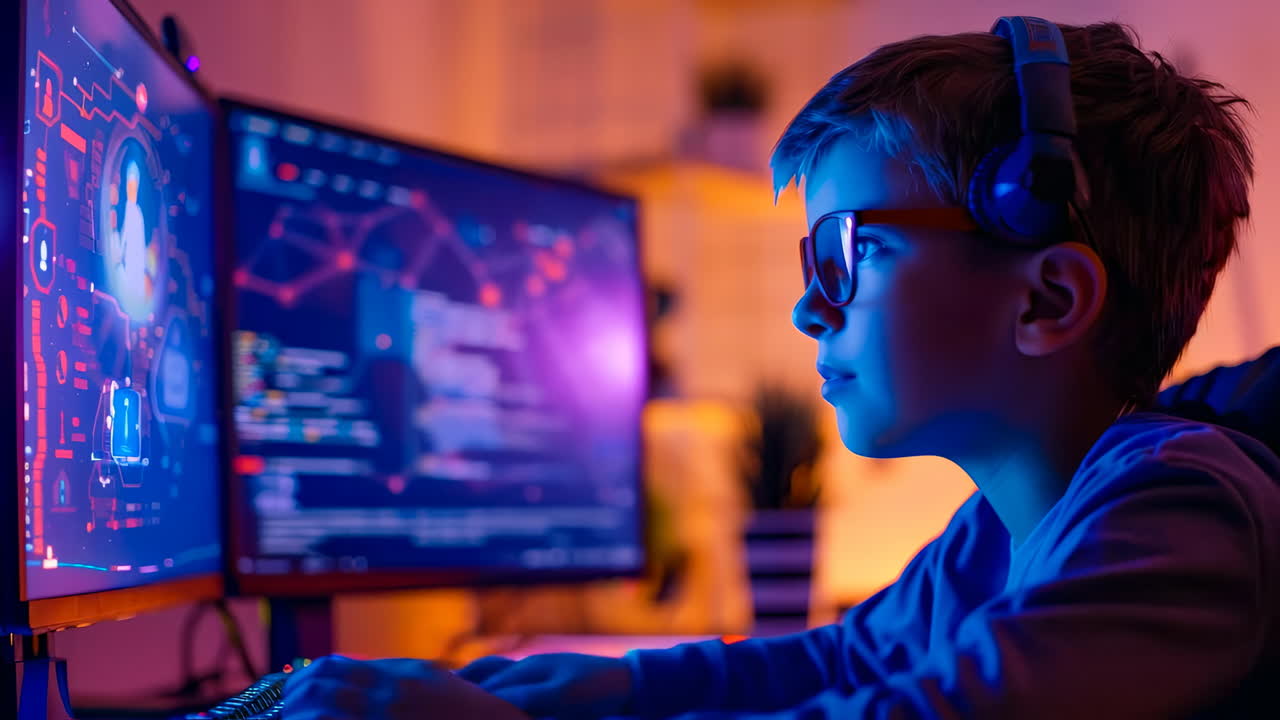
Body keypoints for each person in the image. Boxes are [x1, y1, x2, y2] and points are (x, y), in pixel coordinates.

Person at [282, 17, 1280, 720]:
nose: (810, 307)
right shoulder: (999, 529)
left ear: (1045, 300)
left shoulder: (1181, 515)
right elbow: (846, 660)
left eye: (844, 254)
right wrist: (618, 687)